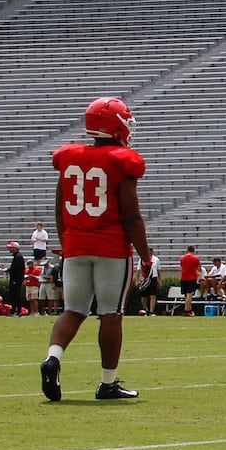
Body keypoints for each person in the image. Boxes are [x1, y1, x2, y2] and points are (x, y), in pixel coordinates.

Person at [40, 96, 152, 401]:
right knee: (111, 314)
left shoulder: (69, 157)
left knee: (73, 311)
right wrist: (145, 255)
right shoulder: (121, 160)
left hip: (75, 245)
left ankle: (53, 358)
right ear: (116, 124)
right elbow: (131, 215)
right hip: (111, 248)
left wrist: (68, 245)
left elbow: (60, 207)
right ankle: (107, 383)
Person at [177, 244, 201, 316]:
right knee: (189, 294)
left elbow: (181, 266)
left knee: (186, 295)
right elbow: (198, 268)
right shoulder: (195, 258)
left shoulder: (182, 258)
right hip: (191, 278)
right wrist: (197, 274)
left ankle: (189, 309)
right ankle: (186, 310)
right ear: (194, 250)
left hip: (183, 277)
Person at [4, 241, 26, 317]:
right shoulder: (17, 256)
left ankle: (16, 311)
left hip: (16, 279)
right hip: (16, 279)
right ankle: (15, 310)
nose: (9, 249)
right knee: (15, 295)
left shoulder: (18, 257)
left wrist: (10, 270)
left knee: (15, 295)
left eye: (11, 248)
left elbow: (16, 269)